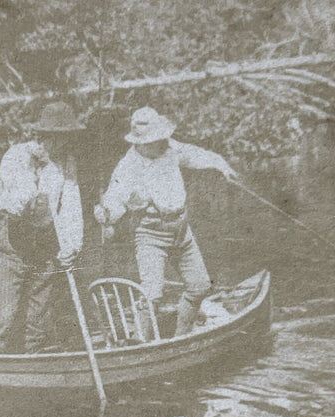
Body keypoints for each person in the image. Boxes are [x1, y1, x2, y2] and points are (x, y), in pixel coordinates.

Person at [94, 106, 236, 337]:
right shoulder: (127, 167)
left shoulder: (169, 149)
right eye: (154, 141)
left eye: (161, 138)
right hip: (151, 234)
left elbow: (195, 154)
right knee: (151, 295)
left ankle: (182, 337)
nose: (161, 144)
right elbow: (115, 200)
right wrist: (106, 214)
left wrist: (221, 165)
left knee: (200, 286)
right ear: (139, 143)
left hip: (181, 230)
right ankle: (139, 345)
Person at [0, 102, 85, 354]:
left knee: (40, 315)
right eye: (56, 138)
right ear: (43, 136)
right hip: (11, 239)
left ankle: (34, 365)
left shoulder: (66, 162)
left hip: (44, 239)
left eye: (66, 138)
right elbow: (17, 206)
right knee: (5, 316)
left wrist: (71, 245)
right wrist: (35, 170)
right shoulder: (16, 157)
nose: (61, 145)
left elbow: (71, 203)